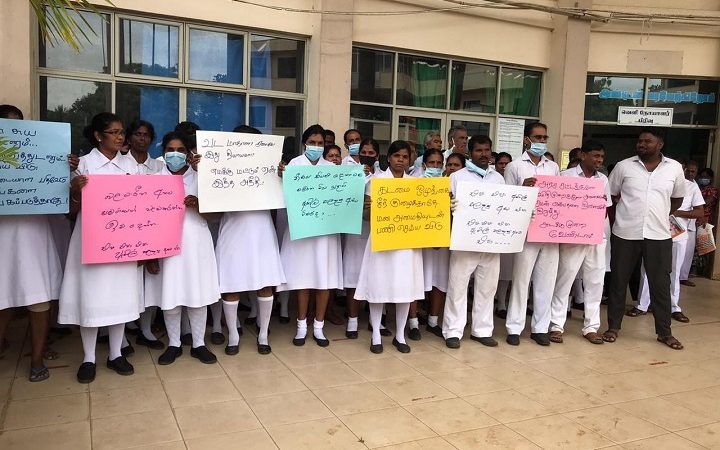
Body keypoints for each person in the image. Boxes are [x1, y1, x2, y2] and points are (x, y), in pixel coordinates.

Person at [59, 112, 142, 383]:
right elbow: (70, 213)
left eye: (121, 132)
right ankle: (89, 358)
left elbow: (142, 206)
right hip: (91, 243)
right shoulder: (82, 164)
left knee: (120, 297)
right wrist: (75, 191)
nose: (120, 137)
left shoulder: (131, 165)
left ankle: (116, 354)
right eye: (114, 132)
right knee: (91, 298)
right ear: (98, 135)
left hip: (123, 243)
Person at [0, 105, 68, 382]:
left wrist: (64, 168)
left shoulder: (40, 152)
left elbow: (59, 193)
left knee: (40, 298)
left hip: (35, 234)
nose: (15, 128)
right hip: (4, 237)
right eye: (8, 124)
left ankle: (37, 358)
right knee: (4, 298)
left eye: (19, 123)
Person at [604, 129, 686, 350]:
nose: (641, 144)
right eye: (640, 141)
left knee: (660, 285)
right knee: (618, 282)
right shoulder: (623, 166)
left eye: (647, 141)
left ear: (660, 144)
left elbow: (677, 199)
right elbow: (610, 195)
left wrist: (660, 214)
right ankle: (613, 327)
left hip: (659, 235)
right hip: (625, 233)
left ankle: (665, 333)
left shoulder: (674, 168)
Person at [144, 132, 218, 364]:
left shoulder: (201, 176)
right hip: (165, 246)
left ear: (189, 153)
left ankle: (199, 344)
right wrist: (150, 255)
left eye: (181, 150)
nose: (175, 154)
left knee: (198, 295)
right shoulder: (154, 179)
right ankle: (174, 344)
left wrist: (199, 204)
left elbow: (216, 215)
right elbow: (145, 220)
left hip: (196, 243)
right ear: (163, 152)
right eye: (170, 150)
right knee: (171, 295)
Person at [216, 125, 286, 355]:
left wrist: (283, 175)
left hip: (261, 229)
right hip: (233, 229)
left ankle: (263, 334)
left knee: (265, 283)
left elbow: (285, 196)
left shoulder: (271, 167)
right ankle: (233, 335)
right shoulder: (221, 165)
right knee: (231, 283)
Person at [277, 124, 343, 347]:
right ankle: (301, 325)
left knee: (323, 279)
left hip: (325, 232)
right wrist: (281, 176)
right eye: (312, 142)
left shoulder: (332, 168)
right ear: (304, 143)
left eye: (320, 143)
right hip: (302, 230)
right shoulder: (293, 166)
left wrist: (358, 177)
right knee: (303, 278)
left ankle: (319, 327)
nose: (316, 146)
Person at [355, 140, 423, 354]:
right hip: (382, 242)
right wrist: (368, 208)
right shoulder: (375, 181)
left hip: (406, 244)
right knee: (379, 287)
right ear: (389, 158)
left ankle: (400, 334)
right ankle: (376, 333)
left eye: (405, 157)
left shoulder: (416, 184)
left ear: (409, 160)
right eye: (397, 156)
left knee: (405, 288)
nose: (401, 160)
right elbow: (366, 218)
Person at [444, 135, 505, 348]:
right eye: (479, 150)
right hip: (464, 241)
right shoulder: (457, 177)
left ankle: (482, 330)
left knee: (487, 288)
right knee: (458, 287)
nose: (484, 154)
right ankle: (453, 331)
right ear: (470, 153)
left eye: (487, 150)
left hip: (491, 241)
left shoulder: (498, 178)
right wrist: (448, 206)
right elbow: (445, 205)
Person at [548, 140, 612, 345]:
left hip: (596, 237)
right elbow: (558, 206)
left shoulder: (603, 179)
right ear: (583, 155)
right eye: (595, 156)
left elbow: (605, 208)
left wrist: (592, 223)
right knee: (565, 279)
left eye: (601, 157)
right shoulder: (565, 176)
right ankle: (556, 325)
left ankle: (591, 327)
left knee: (595, 281)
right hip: (572, 236)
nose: (599, 160)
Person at [503, 122, 560, 346]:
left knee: (546, 282)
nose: (541, 142)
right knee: (521, 280)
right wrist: (522, 189)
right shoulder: (515, 166)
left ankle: (540, 328)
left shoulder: (553, 167)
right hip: (525, 230)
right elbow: (506, 199)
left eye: (544, 138)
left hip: (549, 230)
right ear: (526, 139)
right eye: (537, 137)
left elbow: (559, 197)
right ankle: (514, 327)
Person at [629, 160, 704, 323]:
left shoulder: (691, 187)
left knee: (674, 272)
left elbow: (700, 212)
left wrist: (676, 212)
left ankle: (673, 307)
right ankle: (642, 305)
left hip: (678, 235)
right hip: (653, 232)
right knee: (647, 269)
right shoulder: (654, 182)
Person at [119, 119, 166, 351]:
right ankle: (121, 336)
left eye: (146, 135)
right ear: (129, 137)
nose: (142, 138)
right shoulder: (118, 164)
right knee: (125, 285)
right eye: (137, 134)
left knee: (151, 284)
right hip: (123, 233)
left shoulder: (158, 167)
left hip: (152, 232)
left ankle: (145, 330)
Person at [343, 138, 390, 339]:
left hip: (376, 233)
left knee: (377, 276)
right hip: (355, 232)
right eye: (364, 152)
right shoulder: (348, 174)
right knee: (353, 276)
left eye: (371, 153)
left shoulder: (383, 177)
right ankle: (352, 320)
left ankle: (375, 320)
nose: (367, 156)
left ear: (377, 156)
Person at [415, 149, 448, 339]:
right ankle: (413, 323)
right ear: (423, 165)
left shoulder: (448, 185)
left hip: (441, 243)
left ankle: (433, 321)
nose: (435, 167)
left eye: (438, 163)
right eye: (431, 163)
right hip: (419, 243)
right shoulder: (414, 183)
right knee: (417, 280)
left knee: (439, 280)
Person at [679, 161, 702, 286]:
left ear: (696, 173)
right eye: (688, 170)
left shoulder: (694, 186)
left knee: (688, 252)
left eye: (693, 171)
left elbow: (699, 208)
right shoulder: (678, 183)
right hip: (675, 224)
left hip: (690, 224)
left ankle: (683, 277)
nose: (690, 173)